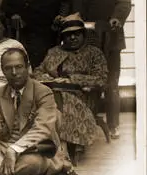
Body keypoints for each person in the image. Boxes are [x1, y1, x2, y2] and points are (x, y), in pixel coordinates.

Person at [60, 0, 132, 139]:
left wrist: (117, 18)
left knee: (111, 82)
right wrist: (62, 16)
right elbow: (66, 2)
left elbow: (124, 0)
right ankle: (84, 124)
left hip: (109, 37)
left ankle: (113, 125)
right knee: (83, 81)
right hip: (83, 39)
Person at [0, 48, 67, 175]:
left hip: (35, 149)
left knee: (33, 163)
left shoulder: (43, 92)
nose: (14, 73)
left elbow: (42, 129)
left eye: (19, 67)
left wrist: (14, 150)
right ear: (3, 71)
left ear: (28, 67)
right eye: (8, 68)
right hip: (6, 145)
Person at [33, 13, 108, 163]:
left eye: (76, 34)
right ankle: (53, 147)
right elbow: (37, 72)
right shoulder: (54, 52)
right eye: (68, 35)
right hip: (51, 92)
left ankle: (61, 148)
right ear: (63, 37)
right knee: (47, 100)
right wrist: (51, 79)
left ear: (83, 35)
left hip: (81, 97)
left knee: (58, 102)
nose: (72, 38)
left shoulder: (94, 53)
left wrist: (70, 80)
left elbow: (101, 78)